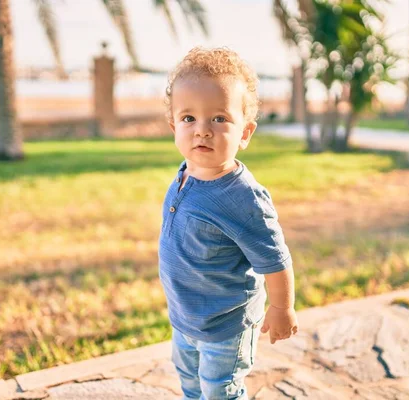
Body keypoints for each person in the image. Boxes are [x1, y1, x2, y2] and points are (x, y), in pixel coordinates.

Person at [158, 47, 298, 400]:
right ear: (174, 126)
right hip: (185, 319)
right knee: (190, 382)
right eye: (189, 119)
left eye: (219, 119)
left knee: (220, 390)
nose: (202, 131)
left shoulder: (242, 198)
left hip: (226, 326)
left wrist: (282, 308)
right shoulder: (186, 172)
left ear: (246, 132)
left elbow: (275, 260)